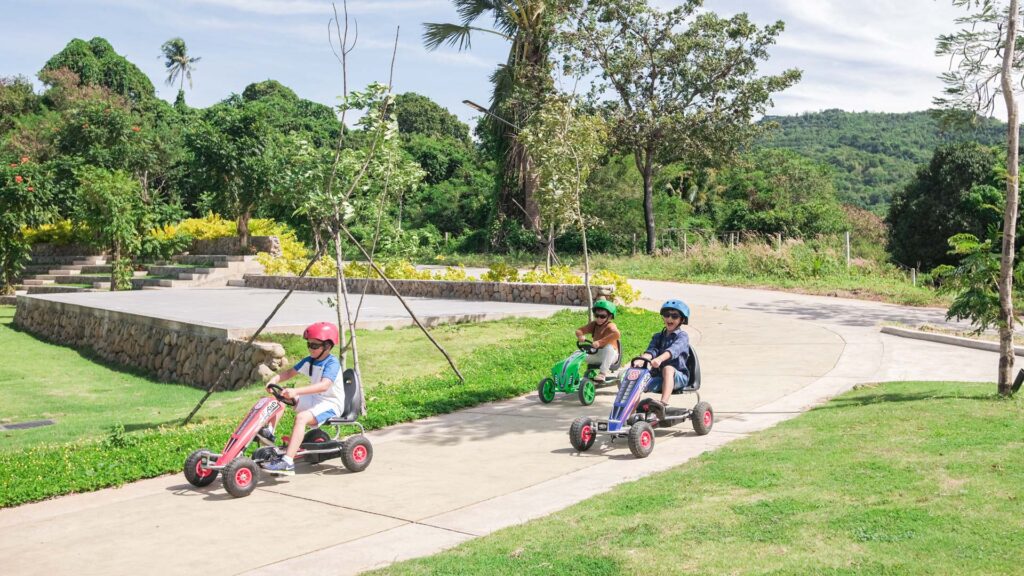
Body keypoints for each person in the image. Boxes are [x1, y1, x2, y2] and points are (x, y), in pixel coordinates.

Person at [262, 322, 346, 476]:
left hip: (331, 403)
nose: (310, 348)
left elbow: (323, 386)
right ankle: (268, 433)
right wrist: (274, 380)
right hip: (315, 399)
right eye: (309, 344)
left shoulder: (332, 363)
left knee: (301, 418)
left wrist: (296, 391)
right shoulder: (310, 360)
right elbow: (289, 373)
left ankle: (287, 462)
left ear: (327, 346)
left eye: (314, 345)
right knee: (279, 399)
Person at [634, 299, 691, 406]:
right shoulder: (658, 336)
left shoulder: (682, 336)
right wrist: (642, 360)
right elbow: (652, 350)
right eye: (666, 315)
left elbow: (674, 350)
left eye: (674, 316)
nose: (669, 318)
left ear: (682, 320)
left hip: (678, 377)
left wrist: (660, 359)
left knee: (667, 369)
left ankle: (662, 404)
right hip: (659, 377)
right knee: (637, 381)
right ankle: (629, 416)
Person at [575, 299, 622, 382]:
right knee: (576, 354)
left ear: (610, 316)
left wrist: (600, 342)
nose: (599, 318)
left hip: (610, 356)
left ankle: (602, 374)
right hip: (596, 353)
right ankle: (573, 375)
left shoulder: (610, 325)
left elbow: (617, 334)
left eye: (602, 316)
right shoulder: (594, 324)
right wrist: (580, 335)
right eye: (596, 315)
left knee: (609, 348)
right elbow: (579, 330)